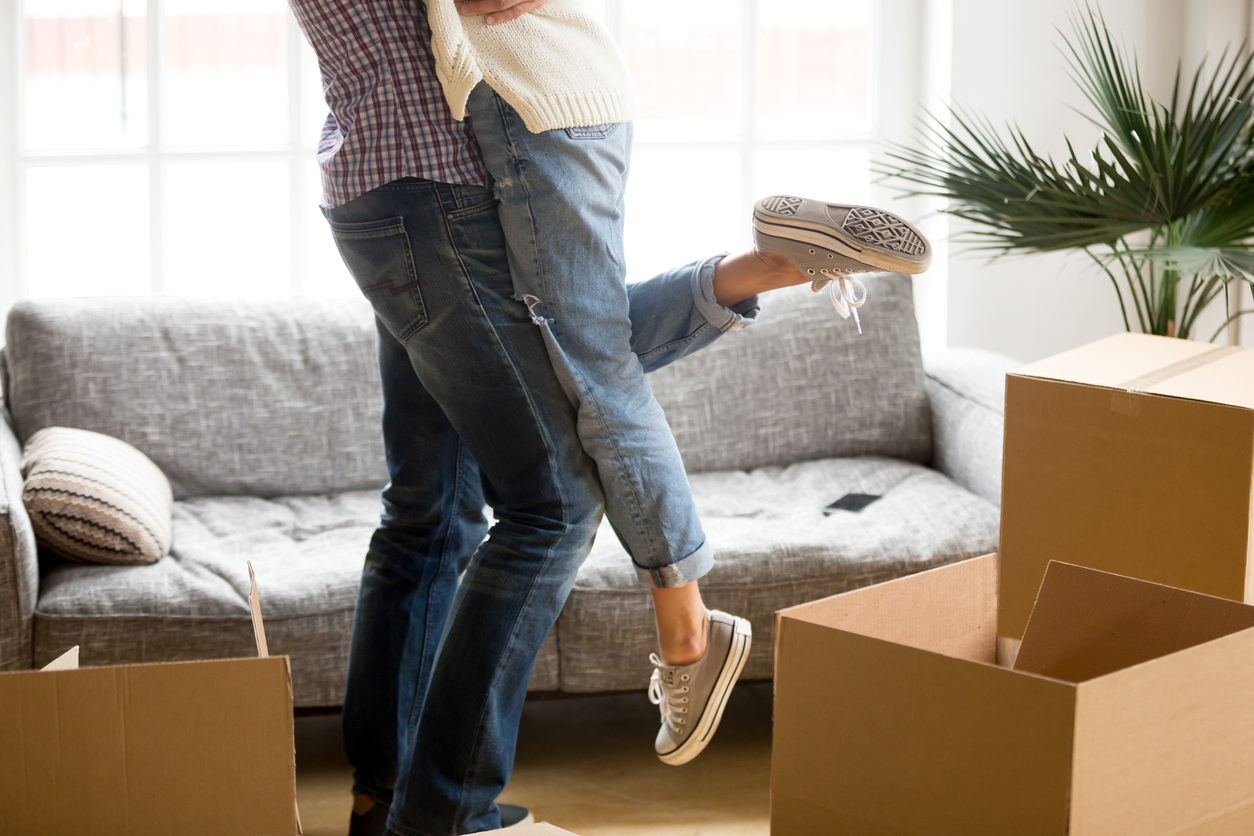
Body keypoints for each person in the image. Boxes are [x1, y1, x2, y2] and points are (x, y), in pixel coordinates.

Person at [287, 1, 931, 834]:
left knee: (433, 505)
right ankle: (446, 813)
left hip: (393, 176)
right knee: (551, 495)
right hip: (447, 175)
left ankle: (391, 800)